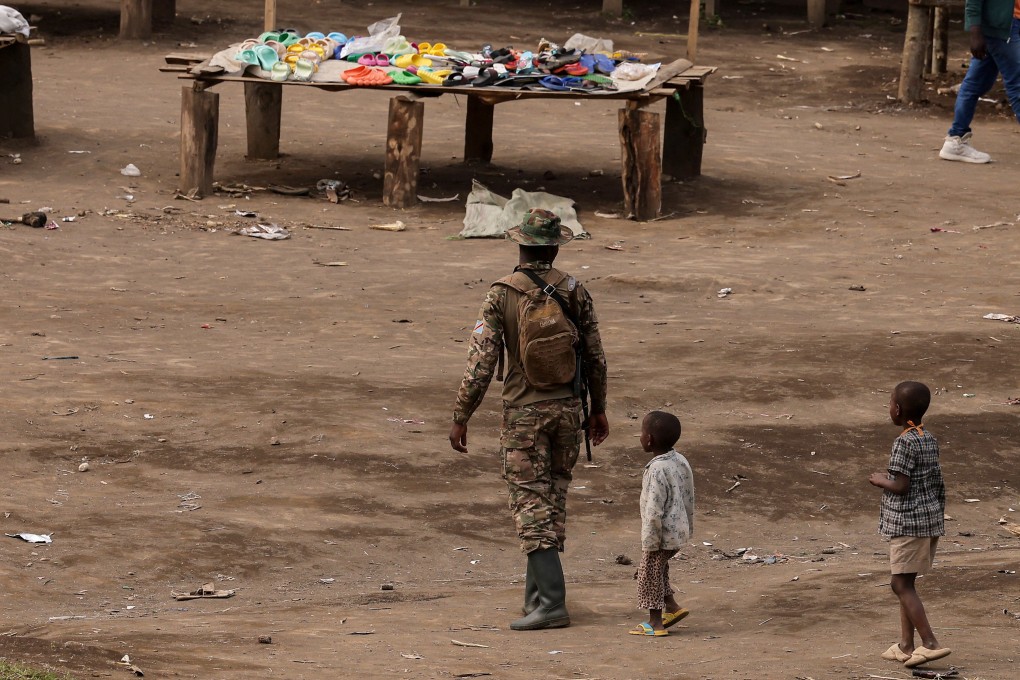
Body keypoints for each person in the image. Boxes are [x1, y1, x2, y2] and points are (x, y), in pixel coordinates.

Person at [449, 208, 609, 631]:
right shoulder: (575, 290)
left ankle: (552, 604)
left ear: (520, 246)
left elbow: (481, 362)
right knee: (552, 498)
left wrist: (461, 416)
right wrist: (599, 409)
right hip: (569, 413)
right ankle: (536, 598)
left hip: (524, 414)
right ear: (555, 248)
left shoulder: (502, 293)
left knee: (528, 504)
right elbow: (595, 356)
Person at [868, 381, 951, 669]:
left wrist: (880, 480)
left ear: (898, 409)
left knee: (899, 583)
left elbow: (901, 486)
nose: (889, 408)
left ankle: (930, 643)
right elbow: (935, 481)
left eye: (890, 403)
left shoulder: (903, 442)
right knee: (907, 582)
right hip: (928, 519)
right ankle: (905, 646)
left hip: (908, 523)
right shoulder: (927, 437)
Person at [628, 411, 694, 637]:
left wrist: (650, 542)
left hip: (660, 535)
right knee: (659, 570)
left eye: (642, 432)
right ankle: (672, 607)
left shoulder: (656, 470)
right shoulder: (679, 460)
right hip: (678, 532)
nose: (640, 436)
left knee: (648, 574)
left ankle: (655, 622)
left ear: (649, 440)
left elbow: (653, 510)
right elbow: (688, 495)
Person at [939, 0, 1020, 162]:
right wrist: (975, 30)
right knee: (1017, 84)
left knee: (974, 84)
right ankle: (956, 138)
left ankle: (956, 139)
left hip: (1008, 24)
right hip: (1002, 27)